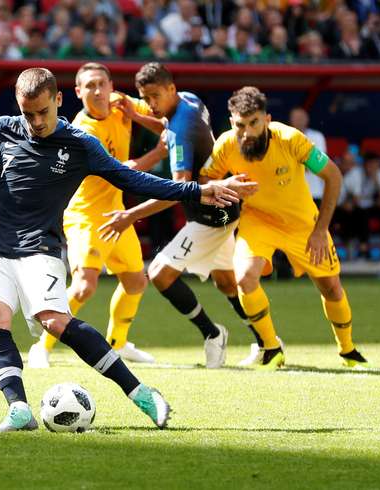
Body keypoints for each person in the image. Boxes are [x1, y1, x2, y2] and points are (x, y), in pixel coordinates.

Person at [0, 68, 243, 432]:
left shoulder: (81, 145)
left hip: (40, 248)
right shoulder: (2, 130)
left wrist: (197, 189)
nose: (36, 122)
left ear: (59, 100)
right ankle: (18, 409)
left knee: (53, 320)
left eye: (43, 112)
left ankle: (141, 393)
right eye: (28, 113)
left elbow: (133, 179)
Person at [98, 63, 261, 368]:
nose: (152, 103)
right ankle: (267, 342)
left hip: (209, 215)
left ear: (170, 88)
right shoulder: (189, 100)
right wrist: (138, 116)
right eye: (146, 97)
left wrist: (130, 215)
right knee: (226, 282)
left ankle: (212, 334)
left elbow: (179, 190)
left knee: (160, 274)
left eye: (155, 96)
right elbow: (168, 129)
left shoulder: (181, 128)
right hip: (226, 209)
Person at [199, 86, 369, 370]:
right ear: (231, 123)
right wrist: (226, 187)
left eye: (253, 122)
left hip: (303, 224)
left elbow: (334, 176)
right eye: (240, 124)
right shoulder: (226, 145)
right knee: (244, 279)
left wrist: (319, 232)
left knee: (331, 288)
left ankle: (348, 351)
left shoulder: (291, 138)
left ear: (266, 119)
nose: (247, 131)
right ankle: (271, 348)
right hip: (258, 221)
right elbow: (205, 180)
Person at [28, 62, 169, 369]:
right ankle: (42, 345)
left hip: (117, 213)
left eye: (101, 84)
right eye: (89, 86)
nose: (97, 91)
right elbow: (116, 173)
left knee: (136, 282)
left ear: (110, 86)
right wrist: (158, 154)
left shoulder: (123, 104)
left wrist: (137, 115)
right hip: (86, 216)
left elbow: (168, 117)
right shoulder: (81, 130)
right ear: (78, 93)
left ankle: (118, 343)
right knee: (84, 286)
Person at [289, 106, 327, 208]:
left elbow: (318, 164)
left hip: (314, 192)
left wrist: (295, 164)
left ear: (307, 119)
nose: (299, 121)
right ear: (291, 119)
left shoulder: (317, 136)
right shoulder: (285, 137)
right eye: (296, 118)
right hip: (292, 194)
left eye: (301, 118)